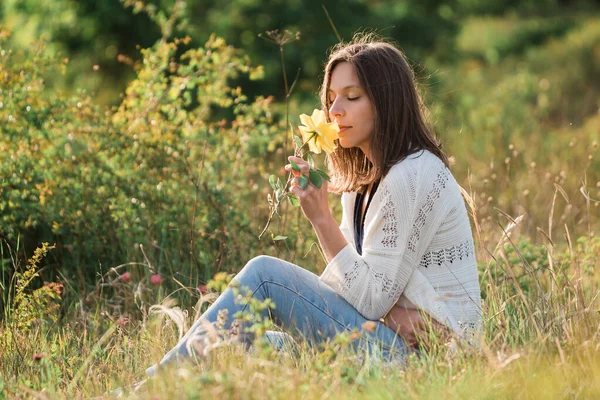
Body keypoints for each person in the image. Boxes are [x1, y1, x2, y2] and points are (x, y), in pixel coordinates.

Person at [145, 35, 482, 377]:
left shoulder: (413, 173)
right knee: (237, 340)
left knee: (265, 275)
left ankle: (148, 390)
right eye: (331, 99)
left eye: (352, 97)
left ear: (387, 102)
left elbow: (370, 299)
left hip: (430, 362)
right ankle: (169, 385)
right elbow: (352, 290)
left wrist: (321, 219)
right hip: (386, 337)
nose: (335, 111)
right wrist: (392, 314)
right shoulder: (362, 185)